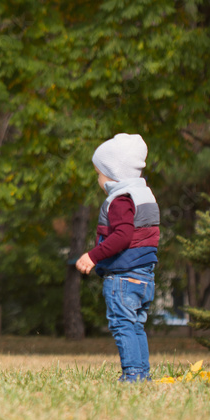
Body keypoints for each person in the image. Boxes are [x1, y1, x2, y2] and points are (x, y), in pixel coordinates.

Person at [75, 133, 160, 383]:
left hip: (124, 276)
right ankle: (142, 374)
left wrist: (93, 256)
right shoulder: (143, 195)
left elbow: (123, 236)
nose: (98, 178)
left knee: (123, 325)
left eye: (99, 173)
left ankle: (132, 375)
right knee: (135, 326)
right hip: (144, 275)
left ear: (113, 173)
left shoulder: (120, 200)